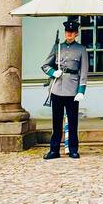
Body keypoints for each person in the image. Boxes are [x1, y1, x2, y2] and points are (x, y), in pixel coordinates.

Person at [42, 17, 88, 159]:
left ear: (76, 34)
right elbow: (45, 65)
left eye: (72, 31)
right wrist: (53, 72)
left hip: (72, 90)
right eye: (67, 31)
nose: (69, 33)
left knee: (73, 122)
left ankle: (73, 149)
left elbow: (84, 72)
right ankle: (54, 150)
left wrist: (81, 91)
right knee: (56, 122)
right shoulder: (57, 47)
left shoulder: (81, 49)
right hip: (57, 88)